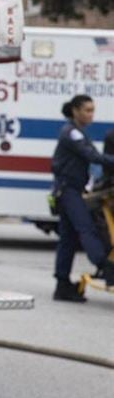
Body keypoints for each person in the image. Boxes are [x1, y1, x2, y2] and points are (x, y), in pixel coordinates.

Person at [49, 94, 114, 302]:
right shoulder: (72, 133)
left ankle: (62, 285)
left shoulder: (77, 132)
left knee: (68, 239)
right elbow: (92, 156)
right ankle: (105, 267)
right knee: (86, 228)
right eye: (87, 110)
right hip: (68, 191)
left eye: (92, 110)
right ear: (75, 111)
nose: (91, 115)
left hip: (71, 190)